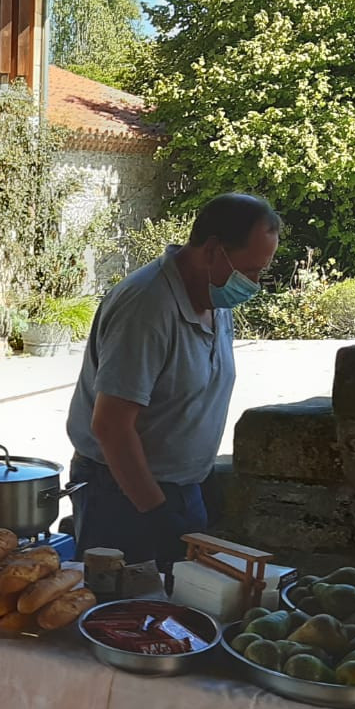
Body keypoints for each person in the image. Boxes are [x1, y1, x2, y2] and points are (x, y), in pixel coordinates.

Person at [66, 193, 282, 571]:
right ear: (213, 250)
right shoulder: (147, 307)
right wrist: (156, 513)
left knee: (183, 613)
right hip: (123, 494)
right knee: (123, 612)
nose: (255, 283)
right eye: (249, 270)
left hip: (183, 488)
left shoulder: (214, 298)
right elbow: (111, 425)